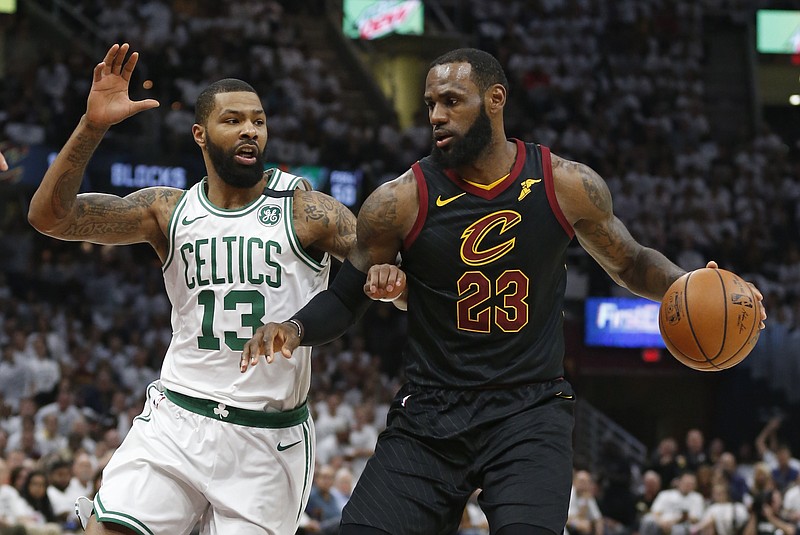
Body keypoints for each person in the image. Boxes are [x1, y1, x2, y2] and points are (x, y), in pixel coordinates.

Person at [241, 48, 767, 535]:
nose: (437, 116)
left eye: (452, 101)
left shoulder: (564, 183)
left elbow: (630, 261)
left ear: (496, 100)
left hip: (529, 411)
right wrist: (295, 327)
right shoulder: (397, 201)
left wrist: (692, 285)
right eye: (430, 105)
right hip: (431, 413)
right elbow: (346, 297)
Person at [27, 42, 382, 535]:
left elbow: (381, 268)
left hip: (265, 438)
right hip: (177, 418)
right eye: (233, 120)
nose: (249, 131)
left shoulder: (306, 210)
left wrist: (399, 284)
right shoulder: (167, 210)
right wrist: (93, 128)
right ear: (200, 133)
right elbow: (50, 217)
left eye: (257, 120)